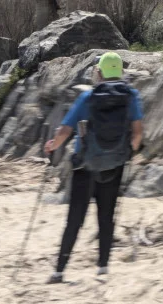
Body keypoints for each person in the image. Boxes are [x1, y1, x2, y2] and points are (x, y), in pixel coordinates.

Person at [44, 52, 143, 284]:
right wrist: (128, 153)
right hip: (115, 165)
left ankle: (59, 271)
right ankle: (102, 268)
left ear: (98, 72)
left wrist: (52, 146)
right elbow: (138, 133)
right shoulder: (131, 96)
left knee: (75, 218)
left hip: (85, 165)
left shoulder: (88, 97)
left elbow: (65, 130)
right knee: (106, 216)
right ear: (120, 72)